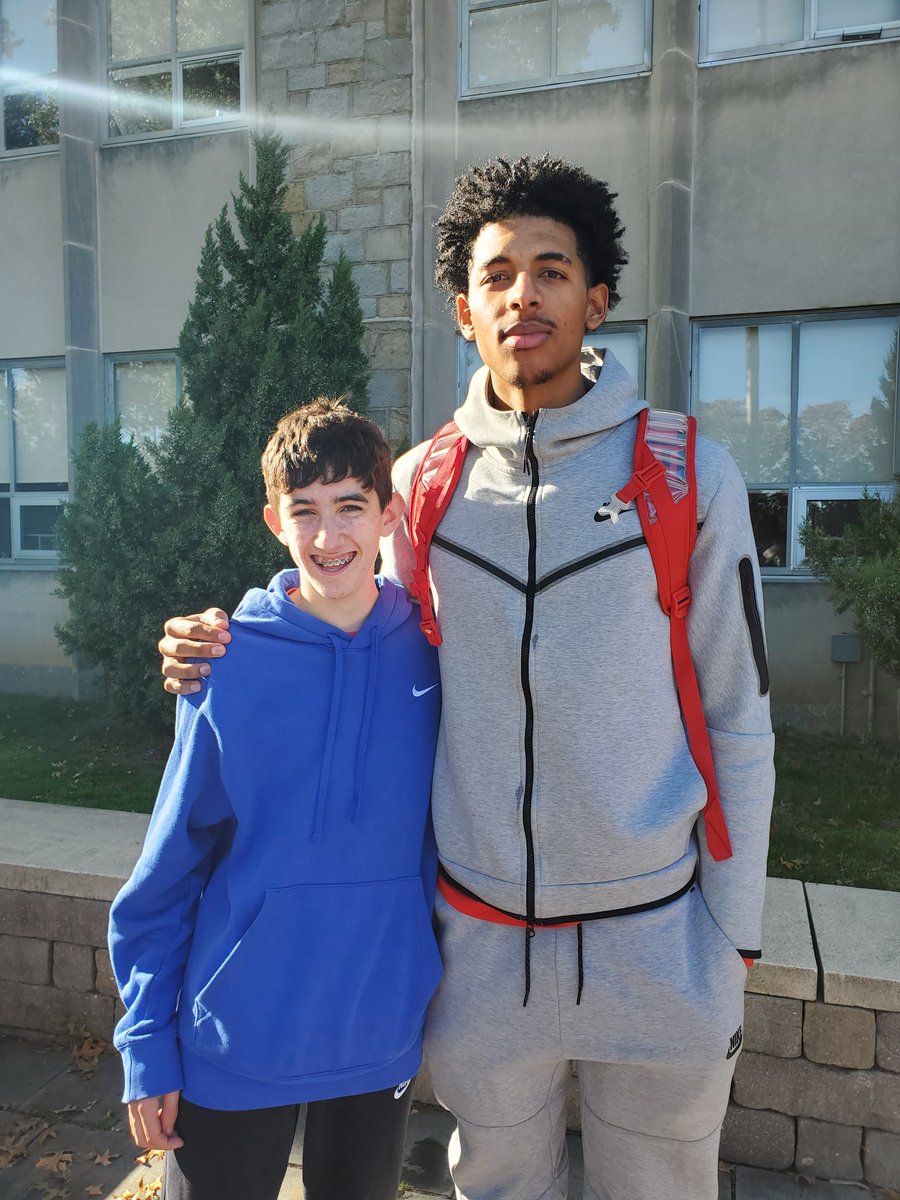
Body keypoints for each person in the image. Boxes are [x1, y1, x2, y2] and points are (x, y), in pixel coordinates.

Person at [159, 156, 775, 1200]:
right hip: (483, 956)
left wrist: (733, 943)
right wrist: (222, 639)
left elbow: (741, 720)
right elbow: (348, 623)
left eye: (551, 269)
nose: (523, 294)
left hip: (661, 942)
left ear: (598, 298)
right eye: (497, 275)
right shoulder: (423, 482)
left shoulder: (683, 473)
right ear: (463, 309)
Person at [111, 399, 442, 1200]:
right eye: (306, 512)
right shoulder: (225, 663)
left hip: (377, 1033)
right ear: (274, 521)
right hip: (236, 1038)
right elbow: (165, 873)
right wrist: (146, 1042)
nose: (329, 538)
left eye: (351, 508)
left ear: (388, 514)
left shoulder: (437, 655)